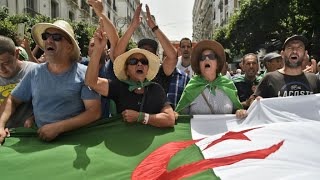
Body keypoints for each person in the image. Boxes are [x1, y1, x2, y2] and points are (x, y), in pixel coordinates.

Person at [0, 20, 101, 144]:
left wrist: (58, 127)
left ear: (69, 47)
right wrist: (0, 125)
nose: (49, 40)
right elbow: (12, 100)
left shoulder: (86, 73)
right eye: (45, 36)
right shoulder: (34, 72)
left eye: (57, 37)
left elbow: (94, 112)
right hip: (40, 142)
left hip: (75, 142)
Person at [85, 26, 175, 127]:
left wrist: (140, 117)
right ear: (126, 70)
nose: (139, 64)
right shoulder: (118, 86)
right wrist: (98, 49)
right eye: (133, 61)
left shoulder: (156, 89)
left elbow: (170, 119)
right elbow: (91, 82)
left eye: (144, 62)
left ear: (147, 69)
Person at [113, 4, 189, 109]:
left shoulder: (161, 72)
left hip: (155, 121)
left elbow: (172, 56)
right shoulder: (129, 71)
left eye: (149, 52)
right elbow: (117, 55)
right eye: (142, 51)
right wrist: (133, 26)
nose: (144, 54)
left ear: (156, 56)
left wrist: (154, 27)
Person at [175, 40, 247, 119]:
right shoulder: (192, 85)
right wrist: (175, 115)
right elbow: (181, 115)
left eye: (211, 56)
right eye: (202, 58)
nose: (206, 59)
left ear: (217, 63)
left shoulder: (227, 83)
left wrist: (239, 112)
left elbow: (236, 109)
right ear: (199, 64)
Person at [253, 35, 320, 98]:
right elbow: (253, 102)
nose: (294, 51)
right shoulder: (269, 78)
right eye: (290, 47)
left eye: (299, 47)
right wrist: (256, 101)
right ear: (282, 54)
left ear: (305, 54)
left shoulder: (314, 79)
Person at [0, 35, 37, 128]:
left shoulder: (34, 71)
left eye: (6, 63)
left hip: (28, 135)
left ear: (16, 53)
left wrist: (35, 118)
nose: (1, 69)